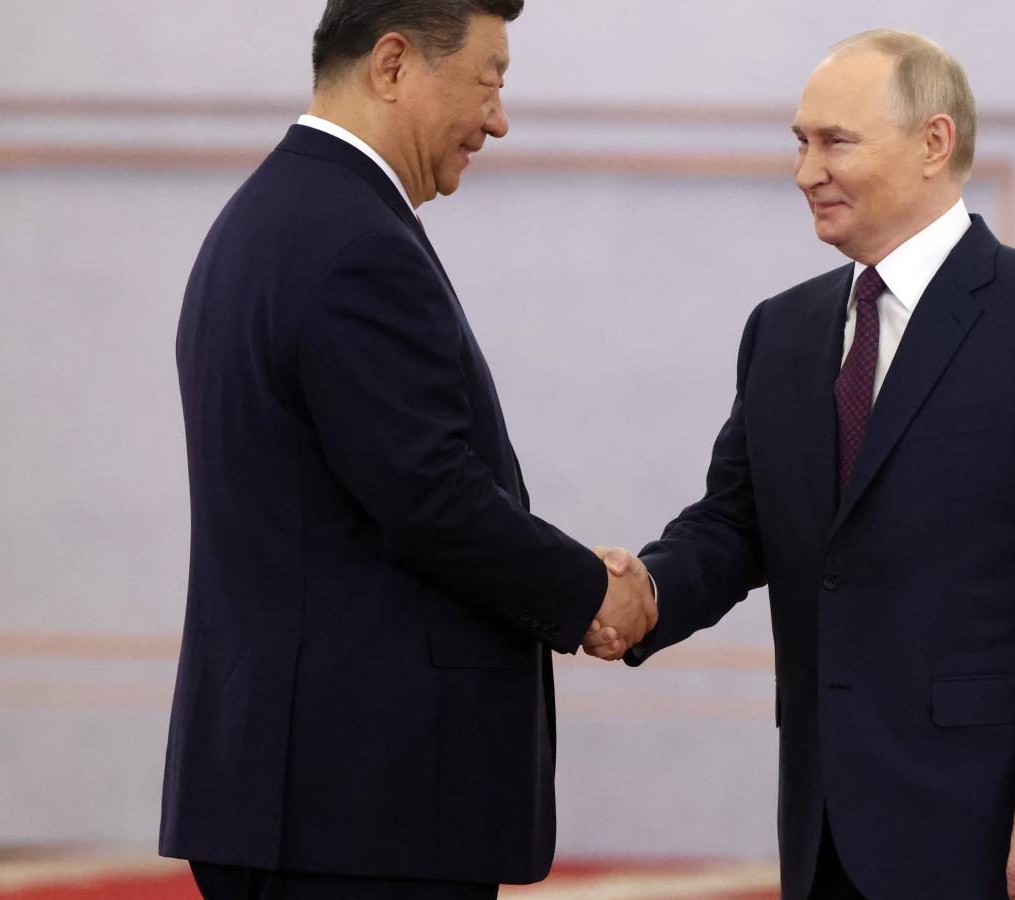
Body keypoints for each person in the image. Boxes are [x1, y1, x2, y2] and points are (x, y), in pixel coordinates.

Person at [587, 29, 1015, 900]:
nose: (806, 170)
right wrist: (643, 595)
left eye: (835, 141)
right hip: (825, 832)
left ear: (935, 144)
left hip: (997, 828)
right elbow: (735, 525)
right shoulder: (781, 331)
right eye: (800, 142)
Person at [159, 2, 655, 897]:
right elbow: (429, 495)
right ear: (393, 63)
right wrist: (590, 593)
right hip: (357, 814)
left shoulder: (267, 219)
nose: (498, 118)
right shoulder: (354, 243)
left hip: (296, 796)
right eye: (489, 81)